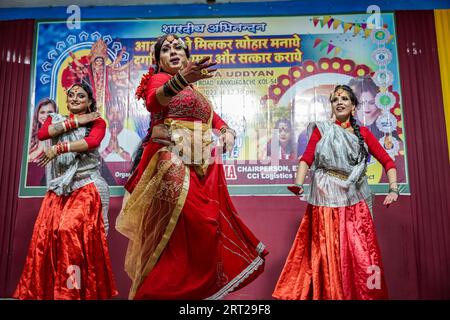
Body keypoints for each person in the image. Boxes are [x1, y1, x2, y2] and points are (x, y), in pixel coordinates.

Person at [115, 34, 268, 300]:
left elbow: (212, 116)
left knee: (205, 232)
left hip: (200, 166)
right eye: (166, 49)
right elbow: (154, 102)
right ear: (158, 61)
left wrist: (226, 130)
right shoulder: (160, 80)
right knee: (177, 234)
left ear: (187, 56)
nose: (173, 51)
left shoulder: (194, 91)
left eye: (178, 47)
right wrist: (183, 78)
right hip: (170, 163)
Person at [273, 84, 399, 300]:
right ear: (331, 106)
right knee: (328, 253)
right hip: (324, 202)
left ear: (353, 107)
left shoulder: (364, 134)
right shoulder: (322, 130)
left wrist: (394, 189)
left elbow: (388, 162)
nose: (339, 102)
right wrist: (299, 183)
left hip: (355, 202)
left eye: (345, 99)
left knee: (362, 255)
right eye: (335, 99)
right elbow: (306, 158)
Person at [13, 83, 118, 300]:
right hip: (59, 191)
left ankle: (73, 292)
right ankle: (55, 293)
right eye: (71, 95)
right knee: (47, 240)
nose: (76, 98)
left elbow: (92, 141)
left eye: (81, 95)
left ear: (89, 101)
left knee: (68, 232)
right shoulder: (55, 118)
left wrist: (59, 147)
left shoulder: (97, 122)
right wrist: (76, 121)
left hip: (85, 187)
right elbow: (43, 133)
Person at [28, 98, 58, 163]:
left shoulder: (61, 134)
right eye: (42, 112)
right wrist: (39, 149)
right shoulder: (30, 132)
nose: (45, 116)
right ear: (37, 114)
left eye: (50, 112)